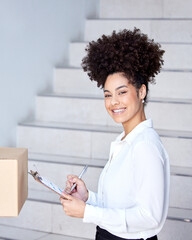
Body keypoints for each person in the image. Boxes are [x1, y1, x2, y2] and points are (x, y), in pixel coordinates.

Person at [60, 28, 170, 240]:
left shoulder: (145, 146)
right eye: (108, 95)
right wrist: (88, 198)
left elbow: (150, 217)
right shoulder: (124, 142)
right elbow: (122, 204)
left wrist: (87, 212)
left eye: (122, 92)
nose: (113, 102)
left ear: (141, 92)